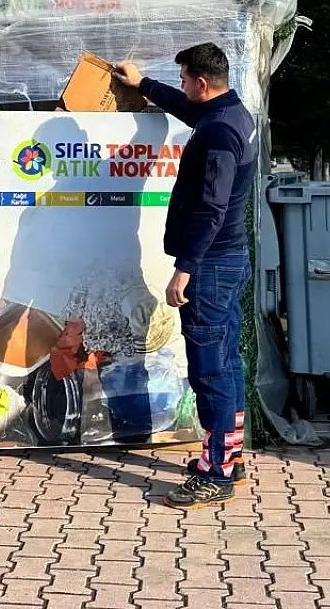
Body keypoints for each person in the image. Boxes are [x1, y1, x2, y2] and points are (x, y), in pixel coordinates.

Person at [115, 43, 258, 509]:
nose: (179, 87)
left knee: (210, 371)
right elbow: (190, 110)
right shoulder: (232, 114)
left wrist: (186, 269)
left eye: (181, 80)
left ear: (200, 82)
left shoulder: (218, 134)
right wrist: (146, 87)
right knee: (228, 363)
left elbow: (212, 207)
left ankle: (215, 473)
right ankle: (228, 454)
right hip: (230, 259)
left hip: (211, 265)